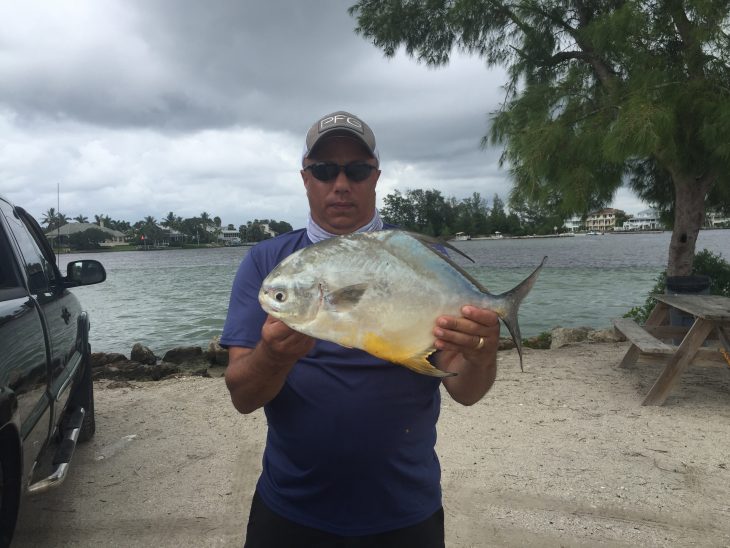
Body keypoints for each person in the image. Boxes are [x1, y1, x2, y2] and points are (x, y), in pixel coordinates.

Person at [221, 111, 500, 548]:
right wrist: (273, 356)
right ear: (305, 178)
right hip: (292, 508)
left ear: (375, 177)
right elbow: (242, 396)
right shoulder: (266, 262)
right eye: (325, 170)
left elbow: (466, 391)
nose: (341, 184)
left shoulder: (412, 254)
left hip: (405, 510)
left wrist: (482, 354)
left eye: (356, 170)